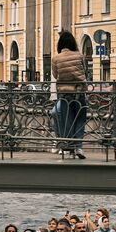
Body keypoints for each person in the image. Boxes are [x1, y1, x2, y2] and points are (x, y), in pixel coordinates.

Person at [51, 30, 88, 158]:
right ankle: (78, 147)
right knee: (80, 119)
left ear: (60, 44)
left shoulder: (55, 58)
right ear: (73, 42)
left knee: (68, 120)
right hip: (78, 92)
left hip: (64, 93)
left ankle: (69, 145)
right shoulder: (79, 55)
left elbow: (56, 75)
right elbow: (85, 71)